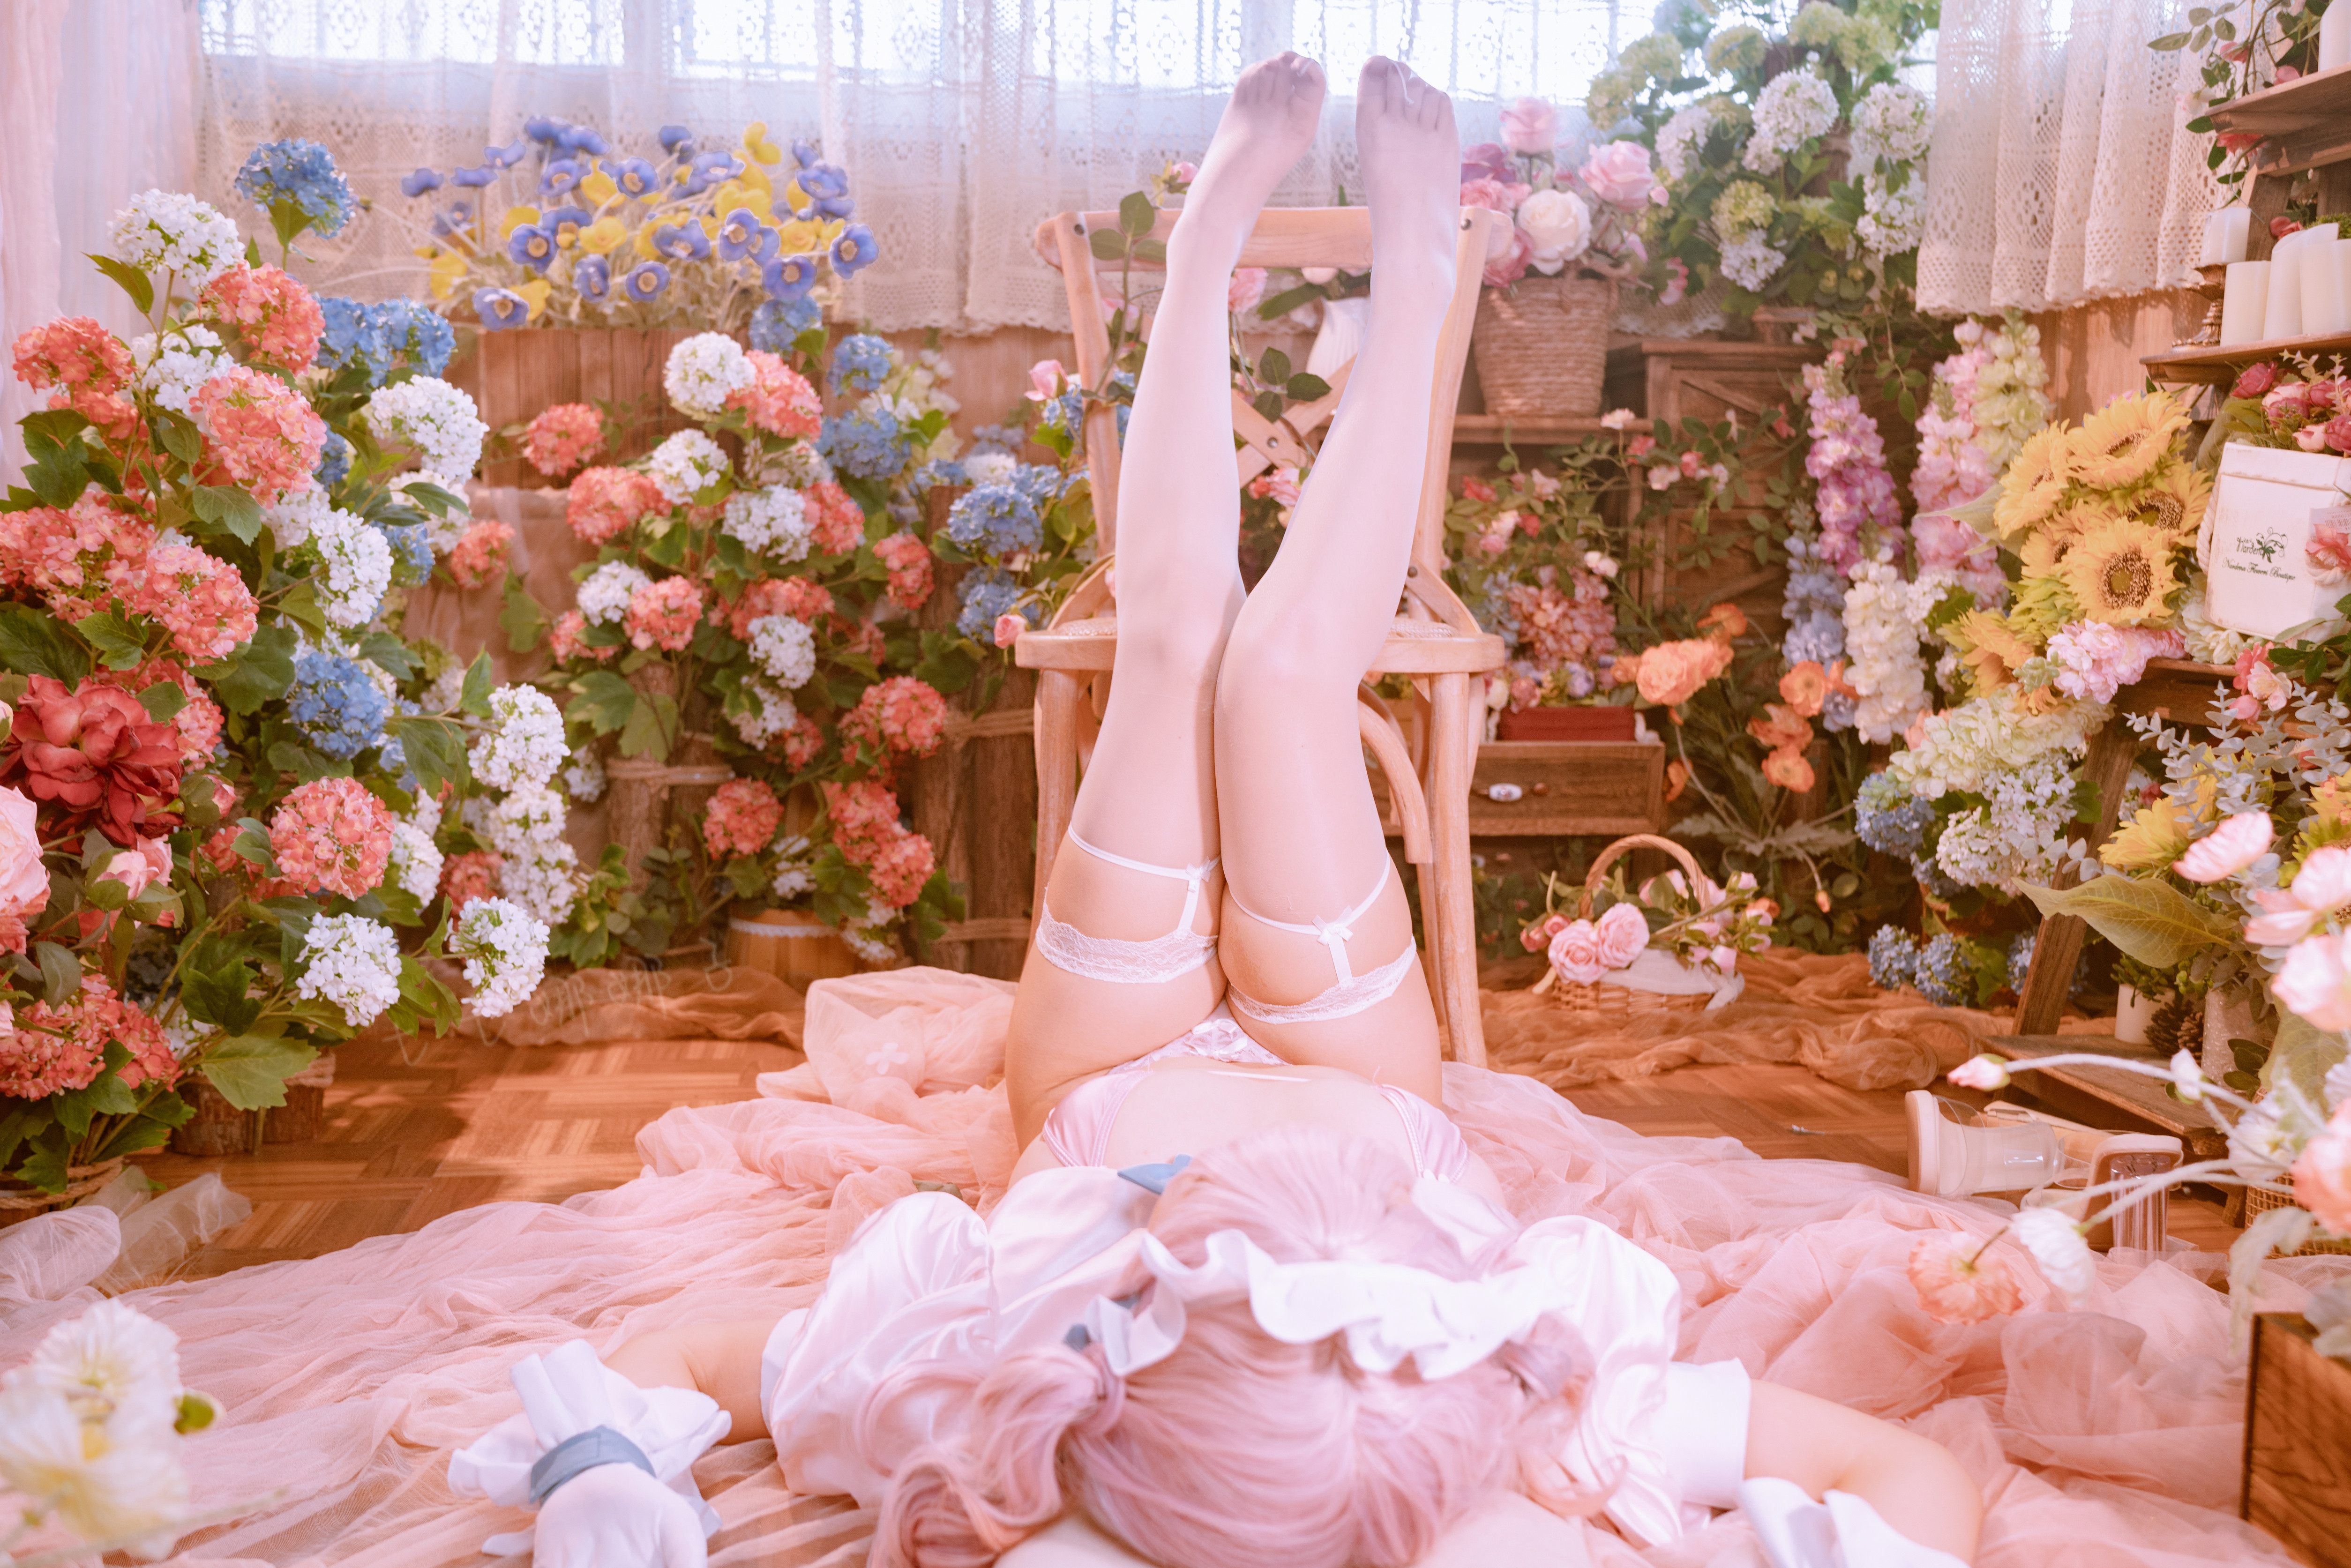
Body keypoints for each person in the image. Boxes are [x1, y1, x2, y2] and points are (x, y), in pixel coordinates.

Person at [448, 54, 1984, 1568]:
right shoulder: (1525, 1411)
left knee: (1181, 642)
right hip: (1363, 1088)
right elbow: (1897, 1466)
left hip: (1109, 1085)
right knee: (1286, 680)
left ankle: (1199, 258)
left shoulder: (982, 1385)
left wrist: (596, 1478)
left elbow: (678, 1354)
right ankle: (1414, 273)